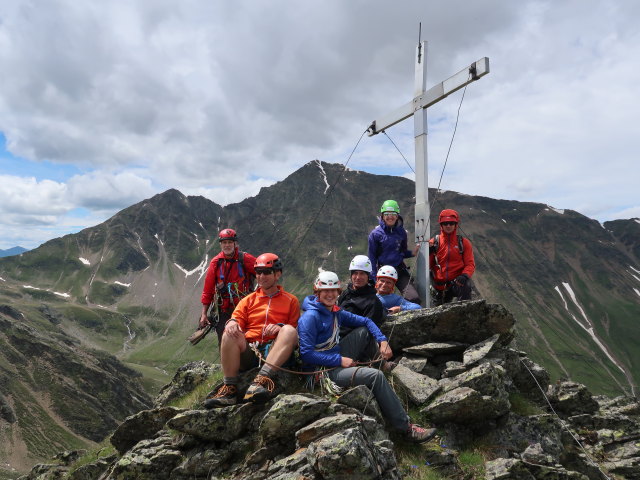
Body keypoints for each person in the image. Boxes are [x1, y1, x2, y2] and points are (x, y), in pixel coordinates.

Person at [298, 271, 437, 443]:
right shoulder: (310, 317)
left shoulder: (335, 312)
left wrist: (382, 341)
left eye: (334, 290)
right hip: (325, 371)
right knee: (375, 376)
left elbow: (366, 322)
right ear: (317, 292)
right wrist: (340, 361)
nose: (330, 294)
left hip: (335, 356)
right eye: (325, 290)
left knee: (363, 331)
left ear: (338, 292)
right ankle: (407, 429)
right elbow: (306, 354)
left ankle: (379, 365)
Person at [203, 253, 300, 407]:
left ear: (277, 274)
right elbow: (236, 318)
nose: (262, 276)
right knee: (229, 332)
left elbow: (294, 330)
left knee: (288, 330)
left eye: (267, 272)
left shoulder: (291, 300)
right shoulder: (247, 301)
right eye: (258, 272)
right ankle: (229, 389)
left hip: (275, 350)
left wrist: (280, 327)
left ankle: (261, 380)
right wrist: (232, 322)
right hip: (252, 351)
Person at [200, 228, 256, 345]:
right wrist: (204, 314)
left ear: (235, 243)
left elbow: (262, 273)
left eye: (230, 242)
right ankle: (226, 363)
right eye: (224, 243)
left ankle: (246, 361)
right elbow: (208, 289)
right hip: (224, 309)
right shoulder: (216, 262)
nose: (227, 245)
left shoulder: (245, 259)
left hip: (245, 307)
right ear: (220, 244)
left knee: (246, 336)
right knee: (224, 337)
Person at [368, 199, 421, 304]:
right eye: (387, 214)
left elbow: (402, 251)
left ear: (397, 216)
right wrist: (374, 278)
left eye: (393, 214)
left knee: (414, 299)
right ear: (382, 216)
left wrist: (412, 253)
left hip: (399, 269)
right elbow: (372, 257)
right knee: (377, 302)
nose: (390, 216)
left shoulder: (401, 232)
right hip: (382, 272)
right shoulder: (375, 234)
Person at [428, 209, 475, 305]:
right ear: (441, 225)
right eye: (445, 223)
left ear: (455, 224)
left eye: (451, 223)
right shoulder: (434, 242)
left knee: (465, 286)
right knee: (437, 314)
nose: (448, 226)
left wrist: (464, 275)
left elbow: (470, 264)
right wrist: (428, 254)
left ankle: (465, 314)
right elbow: (427, 266)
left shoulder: (464, 242)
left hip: (456, 283)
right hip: (438, 288)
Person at [338, 255, 386, 328]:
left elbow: (369, 329)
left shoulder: (373, 302)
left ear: (368, 276)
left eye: (362, 273)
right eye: (355, 273)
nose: (358, 277)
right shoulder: (346, 293)